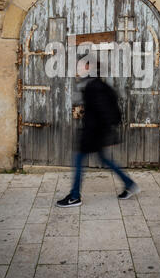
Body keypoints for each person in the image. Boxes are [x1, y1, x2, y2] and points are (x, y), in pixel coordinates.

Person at [56, 57, 140, 208]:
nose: (79, 69)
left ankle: (75, 196)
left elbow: (103, 112)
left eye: (82, 66)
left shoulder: (94, 87)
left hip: (92, 133)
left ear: (90, 69)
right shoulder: (97, 85)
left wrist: (93, 132)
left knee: (79, 161)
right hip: (96, 132)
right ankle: (129, 184)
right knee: (104, 159)